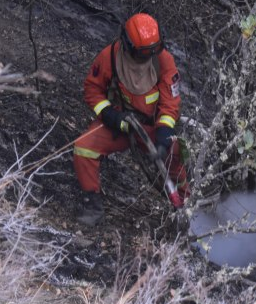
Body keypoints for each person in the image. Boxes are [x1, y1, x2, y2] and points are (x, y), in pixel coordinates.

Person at [72, 13, 190, 226]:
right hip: (120, 123)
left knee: (173, 155)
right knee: (84, 147)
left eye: (153, 50)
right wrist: (110, 115)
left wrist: (164, 132)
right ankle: (92, 204)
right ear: (128, 45)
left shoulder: (163, 61)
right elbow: (92, 90)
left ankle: (186, 206)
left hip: (152, 127)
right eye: (143, 53)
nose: (148, 56)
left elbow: (170, 103)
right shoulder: (110, 57)